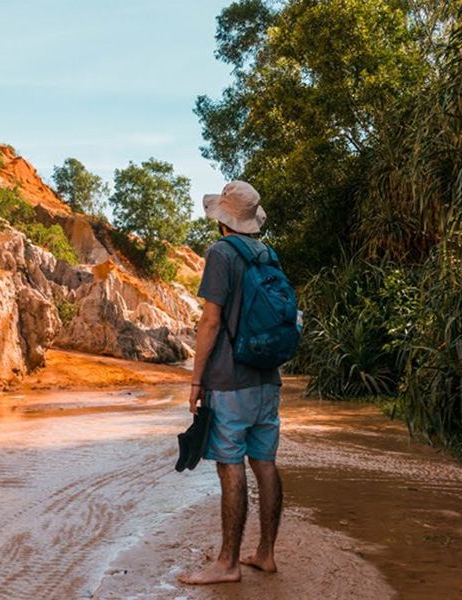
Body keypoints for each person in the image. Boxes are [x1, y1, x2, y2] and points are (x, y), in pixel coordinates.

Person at [179, 180, 283, 586]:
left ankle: (227, 563)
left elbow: (210, 320)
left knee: (230, 466)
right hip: (267, 379)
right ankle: (266, 554)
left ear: (223, 220)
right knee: (265, 463)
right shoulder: (268, 254)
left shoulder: (221, 253)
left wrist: (195, 381)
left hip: (229, 380)